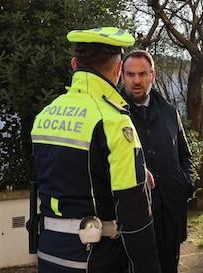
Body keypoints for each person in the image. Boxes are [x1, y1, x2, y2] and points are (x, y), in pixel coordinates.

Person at [31, 28, 161, 273]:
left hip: (48, 252)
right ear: (118, 69)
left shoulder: (45, 114)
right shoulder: (113, 120)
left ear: (74, 65)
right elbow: (134, 209)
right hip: (97, 257)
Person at [120, 50, 194, 273]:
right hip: (133, 217)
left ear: (152, 75)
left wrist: (185, 183)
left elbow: (184, 154)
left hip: (170, 212)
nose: (136, 80)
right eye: (130, 74)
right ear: (122, 76)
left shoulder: (170, 112)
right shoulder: (114, 114)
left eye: (142, 74)